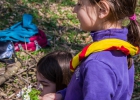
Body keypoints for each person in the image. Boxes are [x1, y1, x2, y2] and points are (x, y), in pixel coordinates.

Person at [41, 0, 140, 100]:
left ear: (102, 9)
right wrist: (62, 95)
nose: (74, 9)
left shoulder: (98, 63)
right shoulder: (122, 47)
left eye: (80, 4)